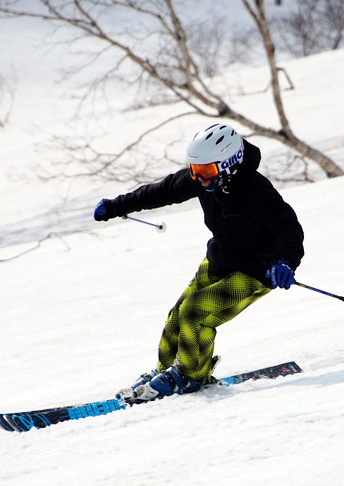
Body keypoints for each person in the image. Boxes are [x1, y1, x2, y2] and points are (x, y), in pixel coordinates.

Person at [93, 122, 304, 403]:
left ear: (229, 163)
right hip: (220, 260)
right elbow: (161, 191)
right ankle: (165, 371)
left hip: (257, 271)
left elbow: (289, 227)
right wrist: (117, 205)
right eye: (196, 171)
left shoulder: (255, 188)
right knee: (177, 315)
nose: (200, 179)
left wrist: (286, 263)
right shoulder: (203, 180)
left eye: (206, 172)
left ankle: (191, 376)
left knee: (195, 314)